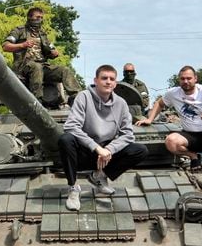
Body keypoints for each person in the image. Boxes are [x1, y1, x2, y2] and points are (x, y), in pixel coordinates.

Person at [59, 65, 149, 211]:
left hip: (106, 154)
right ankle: (73, 188)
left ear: (115, 83)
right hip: (84, 150)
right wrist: (97, 148)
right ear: (96, 80)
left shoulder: (121, 103)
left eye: (111, 79)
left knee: (140, 150)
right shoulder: (84, 97)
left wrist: (108, 149)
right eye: (104, 78)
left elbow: (128, 134)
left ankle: (99, 177)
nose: (108, 82)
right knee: (66, 139)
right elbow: (71, 126)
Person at [135, 65, 202, 172]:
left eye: (189, 78)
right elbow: (160, 103)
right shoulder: (173, 93)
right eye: (182, 79)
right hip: (190, 136)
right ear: (179, 80)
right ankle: (193, 157)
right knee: (171, 141)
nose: (186, 81)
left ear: (195, 78)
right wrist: (150, 119)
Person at [2, 7, 81, 106]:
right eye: (37, 17)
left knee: (64, 70)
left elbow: (51, 49)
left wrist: (54, 53)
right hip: (24, 67)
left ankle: (76, 98)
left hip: (43, 66)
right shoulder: (19, 31)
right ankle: (37, 100)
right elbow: (5, 46)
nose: (40, 19)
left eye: (41, 17)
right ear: (30, 17)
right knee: (37, 67)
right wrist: (22, 45)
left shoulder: (42, 34)